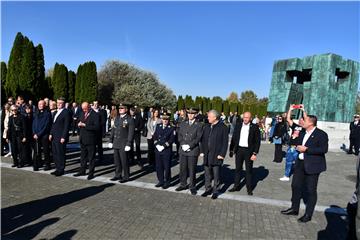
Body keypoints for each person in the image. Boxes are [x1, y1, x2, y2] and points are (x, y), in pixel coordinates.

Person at [281, 115, 328, 223]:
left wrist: (307, 149)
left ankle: (308, 214)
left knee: (311, 190)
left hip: (313, 166)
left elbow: (323, 149)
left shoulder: (321, 134)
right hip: (300, 164)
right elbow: (293, 131)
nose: (301, 121)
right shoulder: (302, 132)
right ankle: (294, 208)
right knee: (295, 186)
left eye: (304, 120)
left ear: (311, 123)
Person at [228, 112, 261, 195]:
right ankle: (236, 186)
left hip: (249, 151)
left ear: (250, 118)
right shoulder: (238, 125)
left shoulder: (254, 127)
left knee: (248, 170)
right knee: (238, 169)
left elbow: (257, 141)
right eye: (244, 117)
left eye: (247, 117)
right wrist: (231, 150)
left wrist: (255, 153)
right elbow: (234, 138)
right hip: (239, 150)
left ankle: (249, 188)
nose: (245, 119)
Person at [200, 110, 229, 200]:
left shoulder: (223, 127)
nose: (207, 118)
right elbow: (203, 140)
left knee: (216, 174)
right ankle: (207, 189)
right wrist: (202, 151)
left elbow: (225, 142)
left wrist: (222, 154)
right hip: (207, 154)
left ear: (215, 117)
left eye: (209, 116)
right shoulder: (207, 126)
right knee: (207, 173)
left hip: (217, 155)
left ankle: (216, 190)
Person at [175, 108, 203, 195]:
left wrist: (189, 146)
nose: (190, 115)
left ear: (195, 114)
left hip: (192, 150)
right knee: (182, 168)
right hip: (183, 149)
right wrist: (183, 144)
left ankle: (192, 186)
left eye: (192, 113)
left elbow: (198, 138)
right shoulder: (183, 123)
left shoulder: (199, 125)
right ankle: (183, 184)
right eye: (189, 113)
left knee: (192, 170)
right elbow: (179, 135)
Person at [280, 105, 307, 181]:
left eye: (301, 120)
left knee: (300, 163)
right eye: (299, 120)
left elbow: (307, 118)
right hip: (291, 147)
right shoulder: (295, 126)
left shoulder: (305, 128)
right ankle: (286, 176)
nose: (300, 121)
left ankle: (301, 176)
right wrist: (290, 109)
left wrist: (303, 110)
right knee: (288, 161)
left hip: (298, 147)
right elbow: (288, 119)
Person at [74, 102, 100, 180]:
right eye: (83, 109)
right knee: (83, 156)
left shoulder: (95, 115)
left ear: (89, 107)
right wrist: (78, 124)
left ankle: (91, 173)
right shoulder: (82, 113)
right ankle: (82, 170)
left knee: (91, 157)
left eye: (85, 109)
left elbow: (97, 127)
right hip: (82, 138)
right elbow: (78, 121)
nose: (84, 110)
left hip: (91, 139)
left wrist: (85, 125)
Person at [109, 104, 134, 183]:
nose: (120, 109)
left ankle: (126, 176)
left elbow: (131, 133)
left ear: (126, 109)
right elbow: (113, 130)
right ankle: (118, 174)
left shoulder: (129, 119)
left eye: (122, 108)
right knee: (117, 161)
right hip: (116, 142)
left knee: (124, 161)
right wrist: (110, 140)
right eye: (119, 108)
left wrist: (129, 143)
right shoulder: (117, 118)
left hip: (124, 143)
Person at [153, 113, 175, 189]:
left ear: (168, 120)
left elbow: (172, 139)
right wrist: (157, 145)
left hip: (166, 150)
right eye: (163, 119)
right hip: (158, 149)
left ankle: (167, 181)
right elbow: (155, 136)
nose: (165, 121)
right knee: (159, 166)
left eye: (166, 119)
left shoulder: (171, 128)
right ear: (161, 119)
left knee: (167, 166)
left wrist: (164, 146)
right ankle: (161, 180)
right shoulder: (158, 126)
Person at [49, 97, 70, 176]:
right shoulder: (55, 112)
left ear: (64, 104)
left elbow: (66, 126)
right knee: (55, 153)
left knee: (60, 153)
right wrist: (51, 134)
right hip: (54, 136)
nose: (59, 104)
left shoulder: (66, 112)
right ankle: (57, 168)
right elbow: (53, 125)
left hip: (60, 136)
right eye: (58, 103)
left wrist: (63, 137)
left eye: (60, 103)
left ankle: (61, 169)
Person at [32, 100, 52, 171]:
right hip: (36, 135)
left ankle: (47, 164)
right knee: (37, 151)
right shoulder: (36, 113)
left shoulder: (47, 113)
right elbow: (33, 124)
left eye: (41, 104)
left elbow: (46, 126)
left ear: (45, 105)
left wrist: (39, 134)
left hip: (44, 135)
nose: (40, 105)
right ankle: (37, 164)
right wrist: (34, 133)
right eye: (39, 104)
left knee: (46, 151)